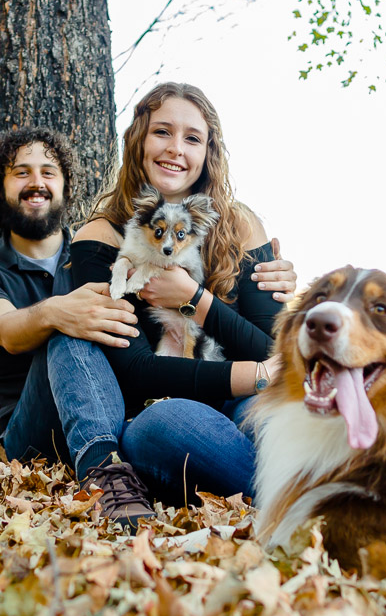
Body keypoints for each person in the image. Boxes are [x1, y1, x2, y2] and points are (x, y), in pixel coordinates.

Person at [0, 125, 295, 524]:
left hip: (124, 414)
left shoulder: (101, 251)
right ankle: (105, 474)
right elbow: (7, 330)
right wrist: (56, 311)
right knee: (73, 330)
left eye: (48, 171)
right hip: (38, 427)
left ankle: (293, 479)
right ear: (0, 187)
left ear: (64, 185)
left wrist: (268, 274)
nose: (37, 182)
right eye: (21, 172)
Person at [71, 81, 297, 505]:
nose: (176, 148)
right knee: (165, 425)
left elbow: (272, 347)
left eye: (192, 138)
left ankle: (308, 491)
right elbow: (133, 369)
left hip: (245, 402)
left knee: (278, 418)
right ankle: (294, 498)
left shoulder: (240, 227)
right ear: (138, 141)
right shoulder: (100, 237)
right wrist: (261, 375)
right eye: (162, 132)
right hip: (162, 408)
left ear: (206, 154)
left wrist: (195, 299)